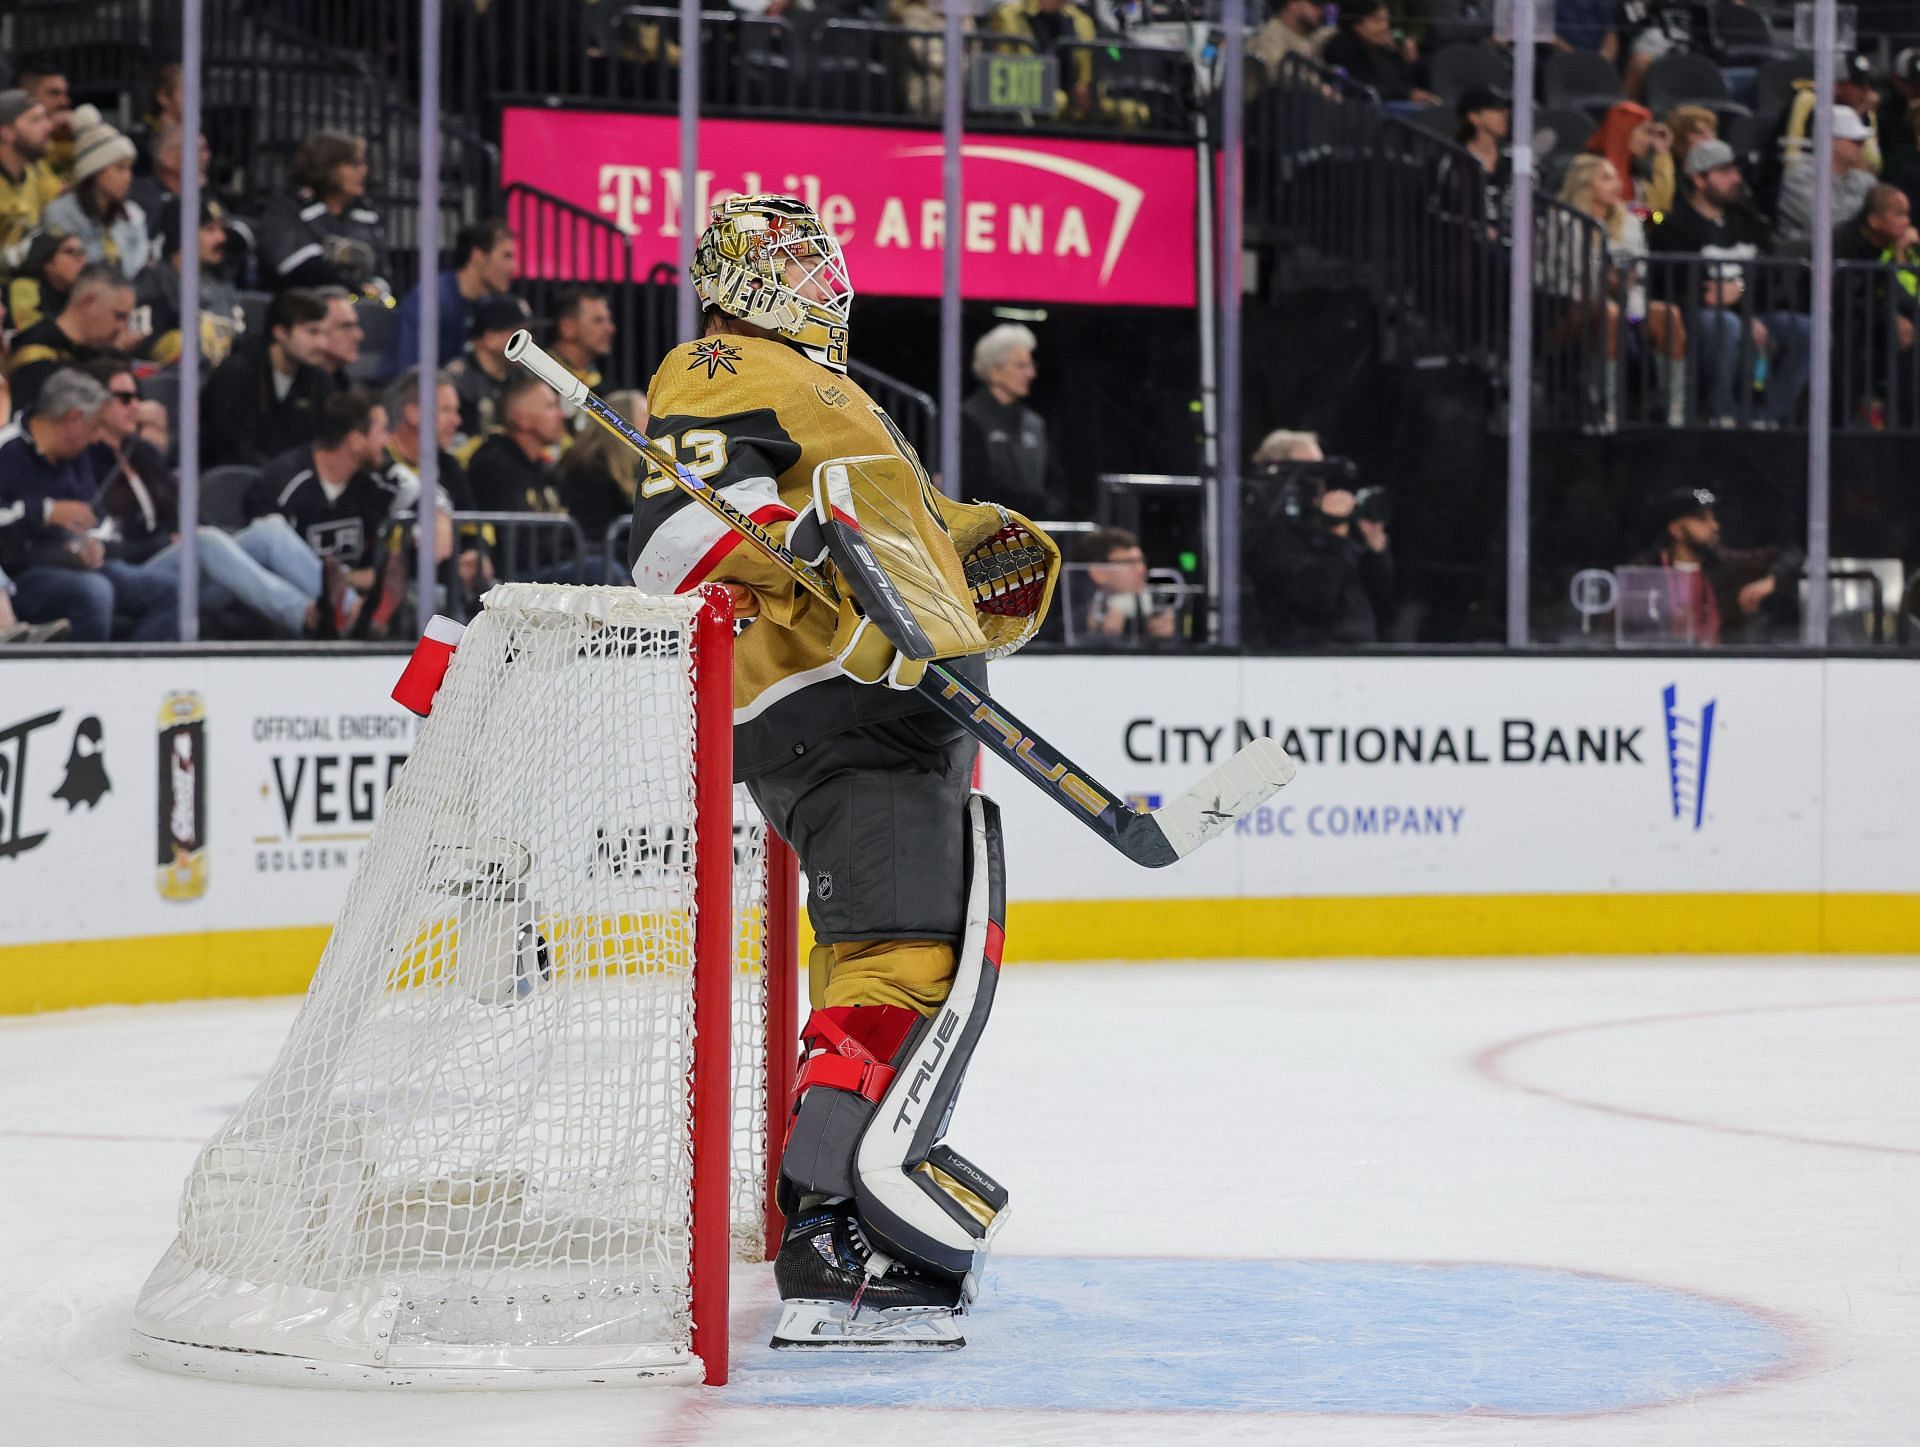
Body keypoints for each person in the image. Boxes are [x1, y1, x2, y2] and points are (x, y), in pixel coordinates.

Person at [630, 193, 1048, 1349]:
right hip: (840, 709)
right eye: (798, 260)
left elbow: (872, 522)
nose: (825, 278)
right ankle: (834, 1233)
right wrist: (804, 550)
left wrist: (969, 546)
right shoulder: (718, 359)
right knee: (897, 958)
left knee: (916, 953)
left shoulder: (835, 396)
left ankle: (861, 1195)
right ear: (742, 276)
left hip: (894, 713)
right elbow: (677, 534)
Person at [83, 358, 330, 638]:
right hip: (136, 575)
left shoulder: (142, 454)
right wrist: (167, 542)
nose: (136, 407)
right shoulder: (84, 463)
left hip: (184, 568)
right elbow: (99, 547)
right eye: (125, 399)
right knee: (203, 542)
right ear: (96, 403)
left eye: (138, 397)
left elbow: (183, 509)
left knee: (269, 530)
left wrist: (188, 532)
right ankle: (305, 615)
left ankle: (348, 610)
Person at [0, 368, 178, 642]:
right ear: (73, 420)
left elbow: (98, 517)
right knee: (94, 591)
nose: (96, 438)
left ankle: (136, 676)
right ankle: (85, 680)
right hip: (19, 573)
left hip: (74, 563)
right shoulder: (7, 449)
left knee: (168, 590)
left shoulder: (77, 454)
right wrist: (45, 512)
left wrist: (94, 542)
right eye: (94, 427)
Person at [1651, 139, 1813, 426]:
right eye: (1724, 172)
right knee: (1725, 324)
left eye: (1735, 171)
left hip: (1752, 312)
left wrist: (1740, 294)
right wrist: (1734, 307)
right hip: (1696, 316)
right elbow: (1675, 288)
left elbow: (1769, 278)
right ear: (1699, 179)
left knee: (1809, 331)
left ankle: (1767, 415)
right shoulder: (1673, 227)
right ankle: (1721, 411)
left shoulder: (1750, 222)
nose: (1736, 178)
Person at [245, 390, 406, 635]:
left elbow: (381, 572)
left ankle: (349, 610)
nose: (388, 440)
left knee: (432, 596)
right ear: (355, 440)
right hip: (291, 606)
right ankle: (353, 612)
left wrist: (346, 579)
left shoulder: (374, 484)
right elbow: (258, 564)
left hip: (352, 599)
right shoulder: (283, 481)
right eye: (382, 431)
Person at [1558, 154, 1688, 425]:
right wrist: (1603, 283)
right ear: (1585, 185)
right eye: (1606, 178)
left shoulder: (1630, 220)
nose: (1616, 184)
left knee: (1669, 315)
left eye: (1616, 176)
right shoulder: (1563, 220)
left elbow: (1642, 260)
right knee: (1611, 314)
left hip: (1630, 303)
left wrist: (1623, 281)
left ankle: (1673, 411)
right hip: (1575, 305)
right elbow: (1560, 275)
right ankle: (1606, 409)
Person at [1626, 486, 1796, 645]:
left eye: (1713, 517)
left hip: (1719, 668)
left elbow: (1793, 553)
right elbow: (1616, 631)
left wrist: (1772, 579)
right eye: (1702, 519)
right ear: (1676, 529)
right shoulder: (1644, 572)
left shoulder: (1728, 566)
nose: (1715, 526)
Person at [1241, 471, 1393, 646]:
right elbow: (1317, 599)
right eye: (1310, 474)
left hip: (1358, 653)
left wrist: (1376, 551)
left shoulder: (1336, 535)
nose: (1319, 487)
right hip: (1310, 656)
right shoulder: (1273, 540)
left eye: (1321, 475)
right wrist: (1334, 536)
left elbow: (1378, 592)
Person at [379, 367, 492, 600]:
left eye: (457, 411)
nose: (457, 420)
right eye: (446, 410)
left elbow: (474, 525)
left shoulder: (449, 465)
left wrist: (476, 555)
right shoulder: (380, 462)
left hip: (455, 579)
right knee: (442, 599)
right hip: (399, 583)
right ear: (412, 413)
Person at [198, 288, 335, 466]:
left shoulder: (319, 380)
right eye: (312, 332)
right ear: (280, 332)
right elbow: (231, 447)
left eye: (324, 333)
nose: (322, 344)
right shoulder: (236, 374)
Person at [377, 219, 518, 380]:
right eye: (506, 256)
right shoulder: (429, 300)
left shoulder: (487, 304)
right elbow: (410, 374)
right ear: (478, 255)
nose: (514, 267)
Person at [258, 129, 391, 298]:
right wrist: (358, 291)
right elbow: (302, 268)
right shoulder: (286, 209)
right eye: (354, 163)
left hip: (362, 312)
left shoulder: (365, 213)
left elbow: (383, 272)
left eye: (363, 163)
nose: (363, 170)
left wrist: (378, 290)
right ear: (327, 167)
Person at [4, 264, 136, 414]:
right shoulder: (36, 348)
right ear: (89, 302)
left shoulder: (110, 354)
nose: (123, 328)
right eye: (119, 316)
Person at [960, 322, 1059, 520]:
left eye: (1031, 365)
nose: (1031, 374)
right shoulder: (967, 418)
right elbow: (973, 485)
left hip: (1034, 533)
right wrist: (1032, 505)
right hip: (986, 535)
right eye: (1022, 366)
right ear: (994, 371)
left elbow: (1056, 482)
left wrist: (1046, 509)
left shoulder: (1034, 423)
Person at [133, 196, 246, 368]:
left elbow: (241, 340)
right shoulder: (154, 280)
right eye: (210, 229)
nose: (221, 238)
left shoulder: (223, 284)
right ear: (183, 234)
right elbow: (142, 342)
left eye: (221, 229)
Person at [40, 116, 150, 277]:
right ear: (95, 172)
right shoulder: (59, 214)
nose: (129, 176)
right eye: (120, 168)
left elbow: (139, 270)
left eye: (129, 169)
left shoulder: (134, 215)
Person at [466, 371, 567, 515]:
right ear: (522, 419)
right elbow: (511, 535)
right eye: (550, 406)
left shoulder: (543, 468)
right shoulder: (493, 466)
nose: (561, 415)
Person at [1777, 106, 1879, 245]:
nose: (1862, 147)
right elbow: (1827, 225)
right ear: (1831, 141)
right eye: (1855, 141)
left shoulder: (1866, 181)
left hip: (1852, 258)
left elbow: (1881, 219)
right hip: (1806, 259)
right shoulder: (1798, 179)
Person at [446, 293, 531, 446]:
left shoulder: (524, 379)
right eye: (518, 333)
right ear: (490, 337)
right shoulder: (456, 381)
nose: (529, 342)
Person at [1318, 1, 1439, 107]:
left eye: (1386, 20)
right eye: (1377, 21)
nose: (1385, 27)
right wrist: (1406, 95)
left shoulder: (1388, 52)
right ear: (1357, 24)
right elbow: (1363, 88)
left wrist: (1406, 58)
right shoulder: (1340, 48)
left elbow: (1408, 85)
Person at [1077, 526, 1176, 642]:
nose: (1142, 570)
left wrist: (1166, 638)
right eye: (1130, 562)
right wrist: (1104, 637)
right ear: (1099, 573)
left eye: (1141, 561)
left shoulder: (1157, 609)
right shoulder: (1074, 620)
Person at [0, 89, 62, 267]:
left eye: (45, 118)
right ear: (7, 133)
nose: (48, 126)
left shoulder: (36, 173)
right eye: (35, 120)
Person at [1585, 102, 1674, 215]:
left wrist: (1663, 153)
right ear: (1624, 131)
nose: (1649, 140)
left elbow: (1660, 208)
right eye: (1645, 131)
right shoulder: (1591, 169)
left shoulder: (1635, 170)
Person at [547, 288, 616, 433]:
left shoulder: (604, 385)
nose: (610, 328)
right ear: (567, 328)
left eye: (608, 320)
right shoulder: (540, 376)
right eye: (598, 321)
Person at [7, 231, 87, 332]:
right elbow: (32, 331)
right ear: (48, 263)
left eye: (83, 252)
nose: (82, 260)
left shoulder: (81, 293)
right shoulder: (24, 286)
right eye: (72, 252)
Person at [1251, 0, 1330, 79]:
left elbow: (1327, 34)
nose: (1320, 10)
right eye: (1315, 4)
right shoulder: (1271, 38)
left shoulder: (1305, 34)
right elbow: (1281, 80)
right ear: (1293, 4)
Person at [312, 286, 368, 385]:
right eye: (346, 327)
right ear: (317, 330)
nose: (359, 336)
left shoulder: (345, 385)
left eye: (356, 326)